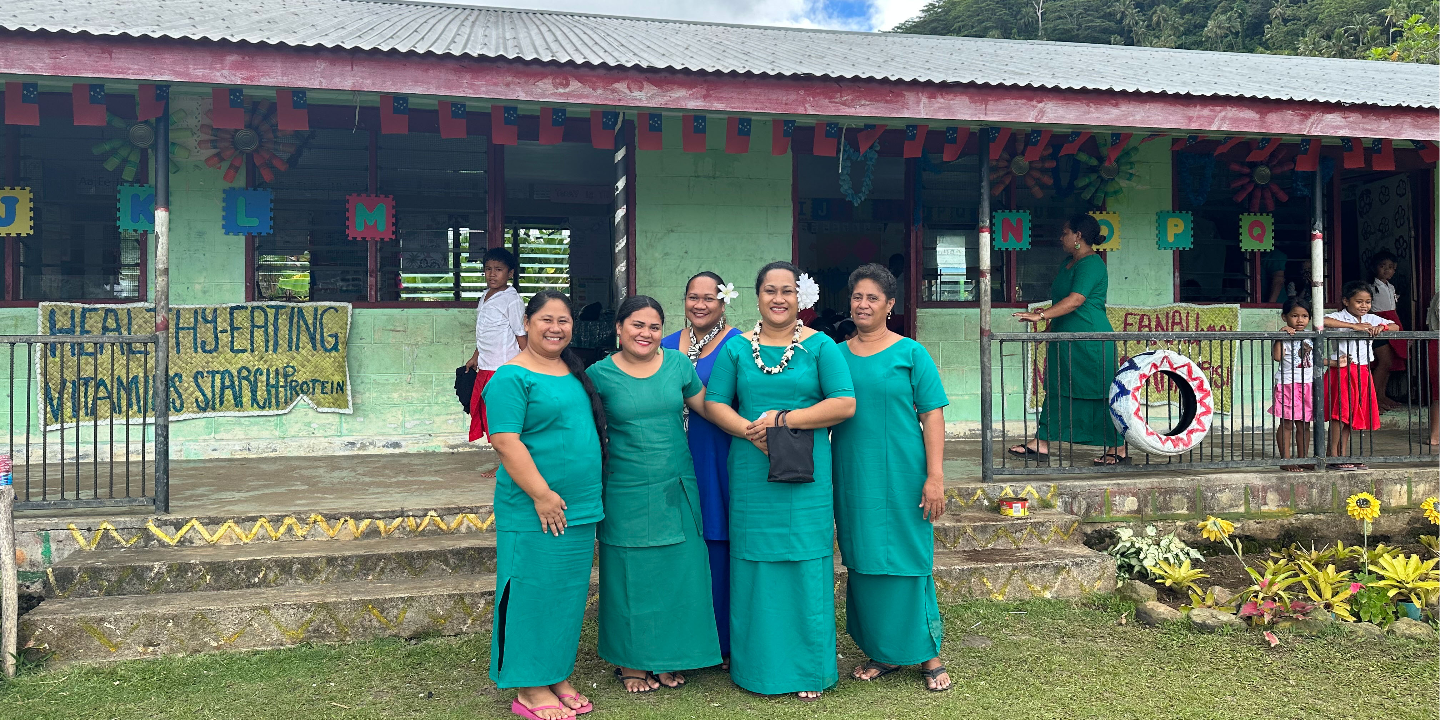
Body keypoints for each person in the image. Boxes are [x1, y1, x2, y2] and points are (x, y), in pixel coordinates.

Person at [704, 261, 856, 701]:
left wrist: (785, 421)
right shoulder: (737, 349)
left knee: (806, 562)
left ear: (800, 297)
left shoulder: (821, 346)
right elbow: (715, 403)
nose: (778, 298)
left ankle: (808, 670)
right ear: (757, 297)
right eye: (770, 290)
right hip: (752, 469)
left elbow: (844, 404)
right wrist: (751, 432)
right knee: (754, 563)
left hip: (806, 470)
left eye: (786, 291)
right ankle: (757, 669)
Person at [588, 295, 722, 693]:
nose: (645, 333)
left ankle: (669, 658)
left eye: (654, 326)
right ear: (619, 328)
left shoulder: (679, 365)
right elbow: (585, 431)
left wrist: (753, 429)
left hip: (677, 484)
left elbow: (708, 409)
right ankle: (632, 662)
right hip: (626, 487)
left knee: (678, 574)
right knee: (631, 577)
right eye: (637, 325)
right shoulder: (599, 375)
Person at [484, 290, 606, 720]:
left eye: (564, 321)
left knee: (566, 595)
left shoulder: (574, 372)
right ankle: (530, 687)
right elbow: (504, 439)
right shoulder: (511, 377)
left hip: (580, 506)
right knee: (532, 593)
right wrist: (541, 494)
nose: (556, 328)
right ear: (528, 324)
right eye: (546, 320)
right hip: (535, 507)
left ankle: (555, 674)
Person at [832, 263, 951, 693]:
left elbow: (932, 414)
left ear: (889, 305)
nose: (863, 305)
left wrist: (934, 476)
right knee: (863, 559)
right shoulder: (836, 355)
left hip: (904, 472)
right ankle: (881, 651)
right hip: (853, 474)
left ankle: (927, 653)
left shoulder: (911, 353)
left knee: (907, 557)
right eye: (857, 297)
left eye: (872, 298)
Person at [660, 271, 743, 664]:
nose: (700, 304)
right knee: (675, 543)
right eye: (693, 296)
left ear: (723, 302)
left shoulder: (738, 345)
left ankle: (721, 642)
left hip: (714, 451)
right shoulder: (660, 344)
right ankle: (678, 638)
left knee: (715, 540)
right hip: (668, 455)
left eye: (709, 298)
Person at [1007, 214, 1126, 465]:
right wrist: (1050, 327)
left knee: (1100, 393)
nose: (1061, 237)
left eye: (1065, 233)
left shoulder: (1092, 264)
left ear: (1078, 236)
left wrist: (1040, 316)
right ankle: (1041, 442)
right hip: (1065, 338)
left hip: (1091, 340)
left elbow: (1076, 300)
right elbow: (1060, 301)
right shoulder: (1067, 263)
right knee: (1057, 388)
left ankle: (1118, 447)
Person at [1322, 281, 1398, 471]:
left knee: (1350, 415)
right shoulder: (1339, 317)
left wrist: (1382, 328)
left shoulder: (1371, 319)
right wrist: (1353, 327)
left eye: (1368, 302)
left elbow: (1396, 326)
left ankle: (1343, 455)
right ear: (1346, 301)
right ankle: (1332, 455)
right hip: (1342, 370)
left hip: (1362, 370)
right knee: (1339, 415)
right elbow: (1322, 321)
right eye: (1359, 302)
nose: (1363, 306)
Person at [466, 248, 527, 443]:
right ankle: (504, 460)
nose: (492, 274)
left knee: (503, 419)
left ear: (510, 273)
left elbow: (521, 334)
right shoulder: (485, 296)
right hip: (485, 366)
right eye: (488, 269)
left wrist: (532, 364)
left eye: (498, 269)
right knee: (489, 417)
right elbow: (484, 332)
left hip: (503, 368)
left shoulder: (512, 300)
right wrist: (475, 357)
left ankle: (508, 462)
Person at [1269, 299, 1316, 472]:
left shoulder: (1311, 336)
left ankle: (1303, 458)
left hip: (1308, 385)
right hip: (1287, 383)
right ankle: (1286, 459)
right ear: (1284, 317)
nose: (1300, 320)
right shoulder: (1285, 335)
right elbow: (1277, 357)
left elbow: (1314, 360)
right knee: (1287, 423)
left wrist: (1334, 362)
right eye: (1295, 316)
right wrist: (1281, 335)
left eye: (1304, 316)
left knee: (1304, 424)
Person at [1366, 250, 1407, 410]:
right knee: (1383, 362)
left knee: (1389, 363)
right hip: (1378, 325)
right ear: (1374, 267)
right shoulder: (1371, 287)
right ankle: (1374, 399)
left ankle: (1381, 396)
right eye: (1382, 266)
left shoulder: (1391, 287)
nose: (1386, 270)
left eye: (1390, 267)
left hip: (1391, 324)